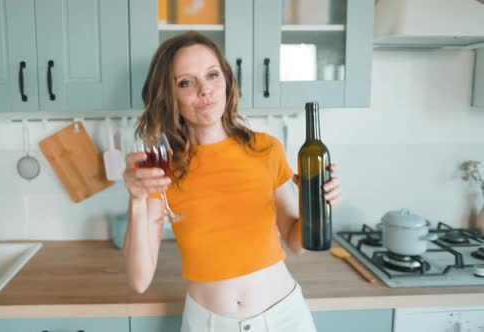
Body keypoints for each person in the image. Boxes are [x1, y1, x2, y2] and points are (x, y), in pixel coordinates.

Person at [123, 31, 342, 332]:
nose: (205, 90)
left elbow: (296, 241)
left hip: (286, 319)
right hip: (208, 324)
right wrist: (136, 200)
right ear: (170, 96)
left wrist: (316, 204)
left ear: (226, 80)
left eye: (212, 75)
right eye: (186, 82)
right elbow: (139, 279)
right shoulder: (161, 171)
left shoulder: (266, 149)